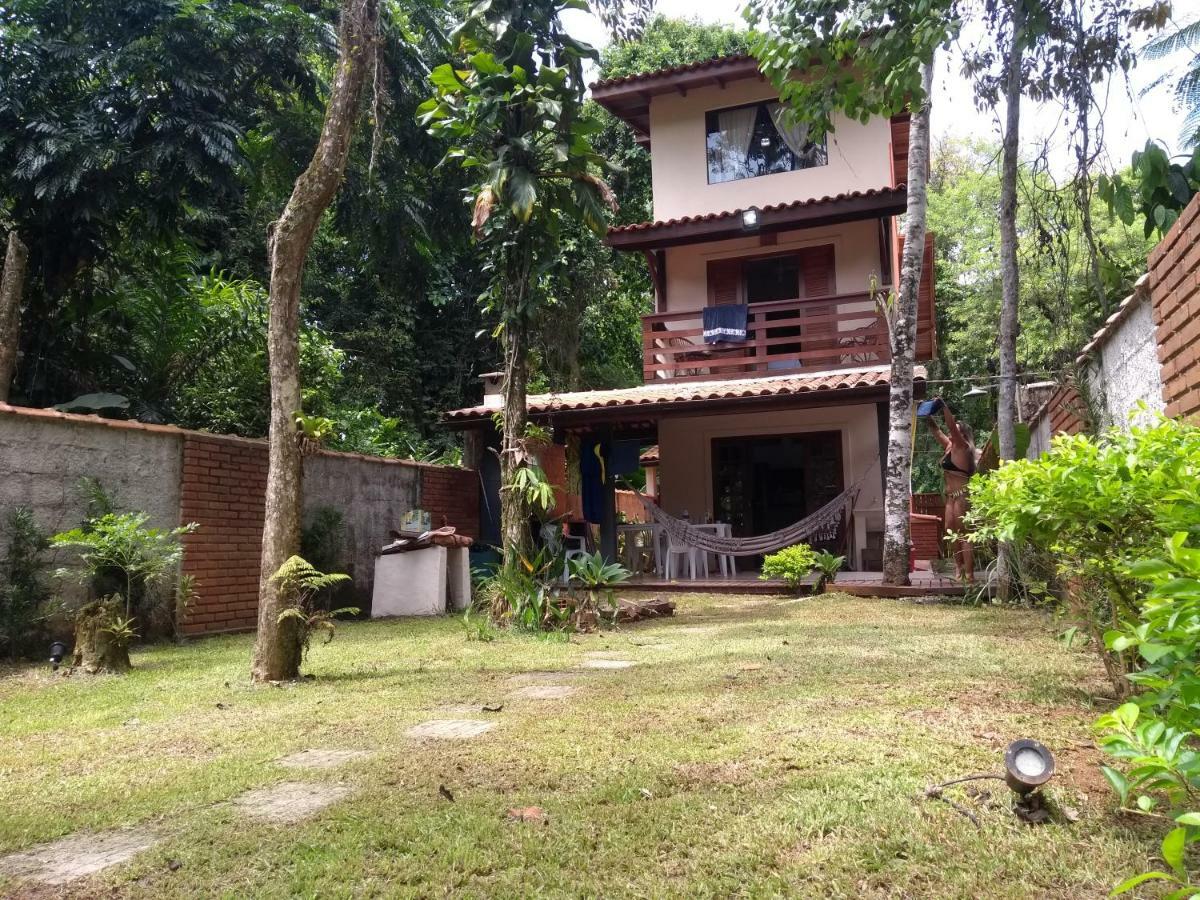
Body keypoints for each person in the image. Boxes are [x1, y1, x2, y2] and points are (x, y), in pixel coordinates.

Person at [922, 397, 976, 581]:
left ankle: (969, 574)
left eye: (957, 432)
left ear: (963, 435)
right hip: (951, 497)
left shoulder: (962, 447)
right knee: (951, 533)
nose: (952, 434)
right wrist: (925, 414)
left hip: (962, 495)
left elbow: (951, 425)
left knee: (965, 535)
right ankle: (958, 569)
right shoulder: (949, 446)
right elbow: (936, 431)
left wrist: (944, 406)